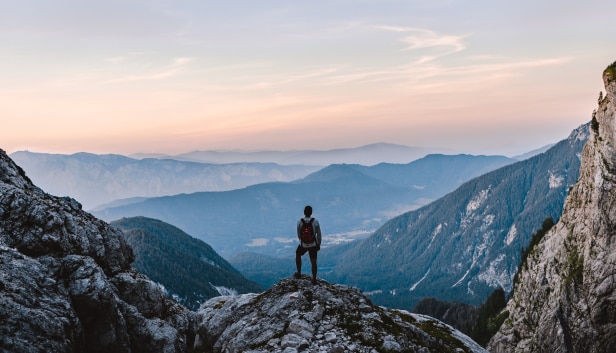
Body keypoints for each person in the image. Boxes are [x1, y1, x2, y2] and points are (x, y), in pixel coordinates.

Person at [294, 205, 322, 285]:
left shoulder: (300, 221)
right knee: (313, 261)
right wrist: (318, 244)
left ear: (304, 212)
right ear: (311, 213)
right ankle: (314, 279)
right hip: (313, 244)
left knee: (298, 254)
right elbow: (319, 234)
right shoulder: (315, 221)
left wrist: (302, 242)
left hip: (303, 244)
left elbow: (299, 234)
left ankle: (299, 273)